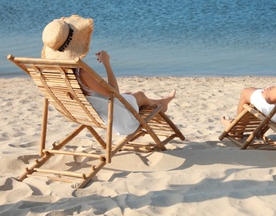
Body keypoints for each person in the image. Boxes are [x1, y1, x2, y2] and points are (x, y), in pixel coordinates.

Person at [41, 14, 176, 135]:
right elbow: (114, 93)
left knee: (129, 95)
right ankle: (161, 105)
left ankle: (161, 103)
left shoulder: (52, 72)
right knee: (140, 95)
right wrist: (107, 63)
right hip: (112, 117)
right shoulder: (80, 72)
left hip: (84, 113)